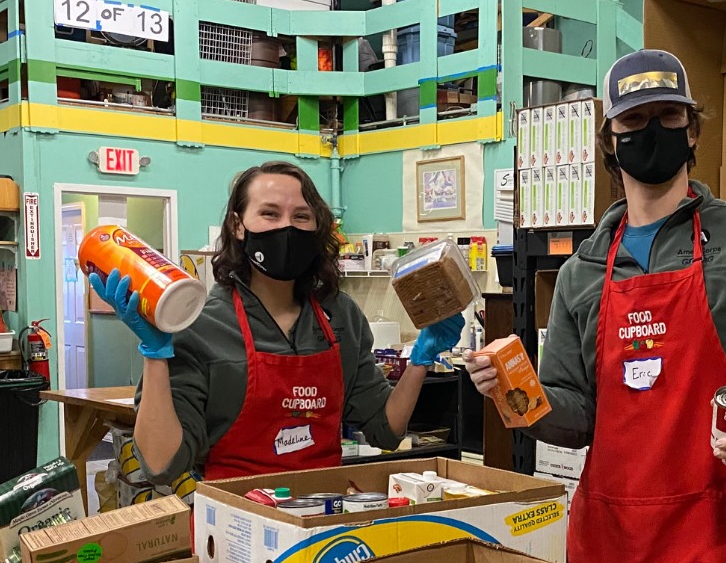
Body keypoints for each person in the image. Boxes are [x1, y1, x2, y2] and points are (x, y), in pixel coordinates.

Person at [466, 49, 726, 563]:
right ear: (610, 141)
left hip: (718, 533)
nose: (652, 131)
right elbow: (578, 415)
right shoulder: (581, 271)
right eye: (634, 120)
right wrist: (516, 395)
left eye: (669, 117)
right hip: (611, 538)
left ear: (692, 131)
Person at [91, 161, 463, 482]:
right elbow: (161, 465)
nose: (287, 227)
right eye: (269, 214)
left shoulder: (341, 315)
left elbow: (385, 430)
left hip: (324, 517)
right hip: (235, 525)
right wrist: (155, 353)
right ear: (238, 226)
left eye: (301, 216)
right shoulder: (200, 323)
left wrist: (419, 362)